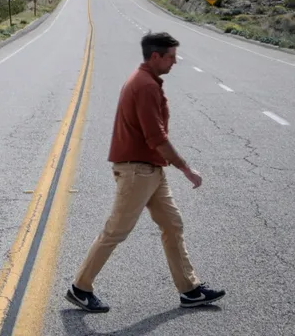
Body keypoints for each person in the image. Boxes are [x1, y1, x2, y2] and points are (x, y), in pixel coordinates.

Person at [65, 31, 225, 313]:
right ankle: (80, 288)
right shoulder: (145, 86)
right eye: (171, 57)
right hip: (138, 172)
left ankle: (189, 289)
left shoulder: (145, 81)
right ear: (156, 56)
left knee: (172, 224)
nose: (175, 63)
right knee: (115, 231)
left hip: (150, 170)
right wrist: (186, 168)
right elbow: (156, 137)